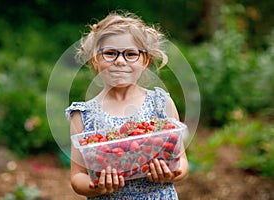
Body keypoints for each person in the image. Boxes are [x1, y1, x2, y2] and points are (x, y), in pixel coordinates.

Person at [65, 11, 188, 199]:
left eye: (131, 54)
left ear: (145, 61)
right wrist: (96, 186)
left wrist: (171, 173)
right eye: (110, 53)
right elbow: (77, 177)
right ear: (95, 60)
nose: (120, 61)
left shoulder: (161, 104)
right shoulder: (82, 115)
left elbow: (181, 162)